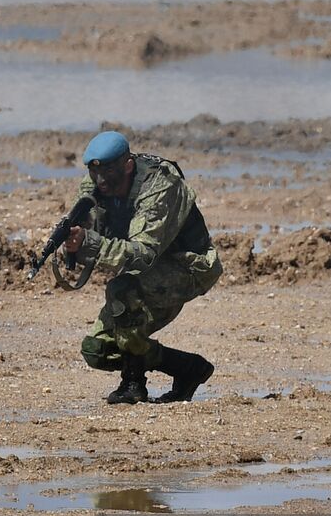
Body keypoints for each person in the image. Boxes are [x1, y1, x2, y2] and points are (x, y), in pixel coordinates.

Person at [64, 130, 222, 404]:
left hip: (188, 266)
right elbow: (92, 231)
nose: (101, 180)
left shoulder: (160, 187)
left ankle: (133, 384)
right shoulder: (95, 186)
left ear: (128, 166)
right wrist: (72, 245)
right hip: (143, 271)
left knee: (123, 291)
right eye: (94, 172)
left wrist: (90, 244)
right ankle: (188, 368)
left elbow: (143, 254)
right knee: (97, 350)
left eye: (109, 172)